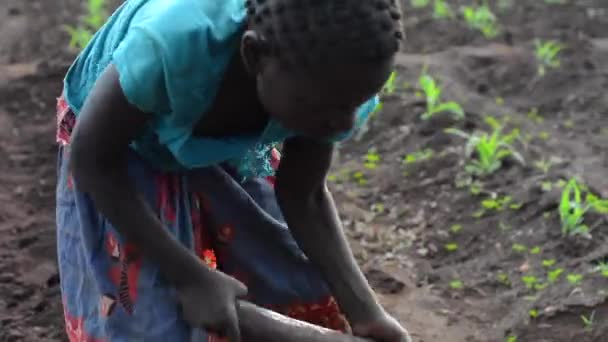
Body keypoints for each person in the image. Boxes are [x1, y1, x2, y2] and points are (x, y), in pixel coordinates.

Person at [55, 0, 410, 341]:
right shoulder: (171, 44)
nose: (342, 124)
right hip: (121, 151)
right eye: (325, 107)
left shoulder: (325, 86)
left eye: (355, 104)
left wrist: (366, 311)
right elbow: (94, 160)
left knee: (292, 281)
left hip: (219, 141)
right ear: (253, 55)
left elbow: (305, 196)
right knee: (151, 318)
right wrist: (189, 276)